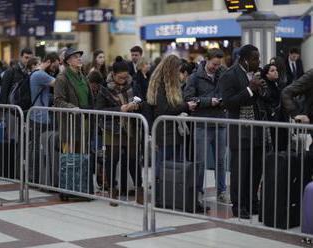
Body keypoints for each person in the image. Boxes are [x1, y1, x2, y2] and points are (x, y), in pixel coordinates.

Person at [146, 54, 199, 210]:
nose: (179, 73)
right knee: (162, 167)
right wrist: (186, 107)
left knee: (171, 168)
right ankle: (159, 198)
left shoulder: (166, 84)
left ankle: (170, 197)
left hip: (172, 132)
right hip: (164, 133)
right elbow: (165, 110)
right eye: (177, 70)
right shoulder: (161, 85)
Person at [219, 44, 264, 219]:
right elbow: (228, 102)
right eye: (255, 58)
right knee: (240, 172)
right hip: (240, 132)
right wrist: (249, 89)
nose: (258, 61)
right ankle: (239, 207)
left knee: (255, 171)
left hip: (257, 130)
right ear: (245, 60)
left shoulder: (256, 74)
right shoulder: (229, 75)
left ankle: (253, 203)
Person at [95, 56, 143, 205]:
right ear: (114, 75)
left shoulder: (133, 85)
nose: (124, 80)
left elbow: (141, 99)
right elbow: (99, 110)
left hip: (131, 128)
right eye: (121, 77)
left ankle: (139, 190)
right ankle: (112, 191)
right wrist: (119, 109)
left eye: (125, 77)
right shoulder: (105, 89)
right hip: (112, 129)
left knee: (133, 160)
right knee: (112, 160)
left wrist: (137, 105)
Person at [184, 49, 228, 203]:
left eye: (218, 65)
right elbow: (188, 98)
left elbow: (228, 92)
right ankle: (198, 191)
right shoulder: (195, 77)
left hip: (220, 123)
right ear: (207, 60)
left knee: (221, 160)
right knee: (200, 161)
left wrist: (223, 100)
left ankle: (222, 191)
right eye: (214, 64)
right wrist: (209, 102)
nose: (216, 67)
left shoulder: (223, 74)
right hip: (202, 124)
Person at [54, 48, 94, 153]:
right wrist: (72, 108)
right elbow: (58, 100)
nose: (79, 59)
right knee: (69, 159)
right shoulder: (62, 78)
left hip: (84, 121)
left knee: (82, 158)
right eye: (75, 57)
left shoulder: (83, 77)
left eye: (79, 56)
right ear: (68, 61)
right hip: (70, 122)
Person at [29, 52, 59, 125]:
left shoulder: (36, 72)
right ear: (48, 62)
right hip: (40, 117)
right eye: (54, 67)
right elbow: (60, 84)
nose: (54, 70)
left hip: (37, 116)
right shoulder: (40, 74)